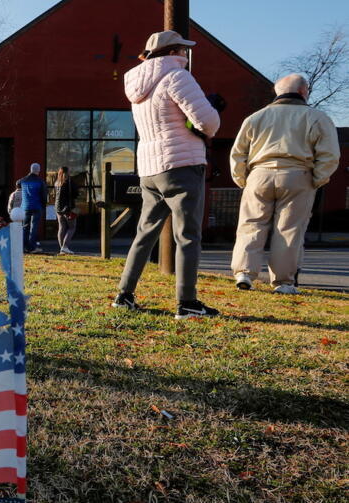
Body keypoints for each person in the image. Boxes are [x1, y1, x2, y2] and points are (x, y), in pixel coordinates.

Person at [112, 30, 221, 319]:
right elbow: (208, 122)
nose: (185, 55)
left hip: (150, 169)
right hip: (182, 164)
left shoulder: (136, 85)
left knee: (144, 233)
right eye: (183, 50)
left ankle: (124, 295)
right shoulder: (177, 76)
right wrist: (212, 112)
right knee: (187, 235)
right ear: (173, 52)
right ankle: (187, 303)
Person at [229, 74, 340, 294]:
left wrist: (242, 179)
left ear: (277, 92)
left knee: (251, 224)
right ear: (303, 91)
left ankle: (244, 273)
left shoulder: (255, 117)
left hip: (259, 174)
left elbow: (238, 153)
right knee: (288, 230)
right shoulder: (317, 117)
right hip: (298, 174)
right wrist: (316, 179)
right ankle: (283, 282)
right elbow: (330, 155)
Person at [18, 163, 46, 252]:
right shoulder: (40, 181)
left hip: (25, 207)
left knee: (25, 226)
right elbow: (44, 196)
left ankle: (24, 246)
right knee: (34, 227)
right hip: (37, 207)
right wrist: (43, 206)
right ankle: (32, 247)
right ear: (38, 170)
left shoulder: (23, 180)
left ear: (31, 170)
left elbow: (17, 183)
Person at [54, 166, 77, 254]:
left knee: (61, 227)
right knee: (72, 227)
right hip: (68, 208)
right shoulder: (69, 182)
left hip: (58, 208)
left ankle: (62, 249)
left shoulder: (57, 182)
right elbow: (75, 193)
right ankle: (65, 247)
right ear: (67, 172)